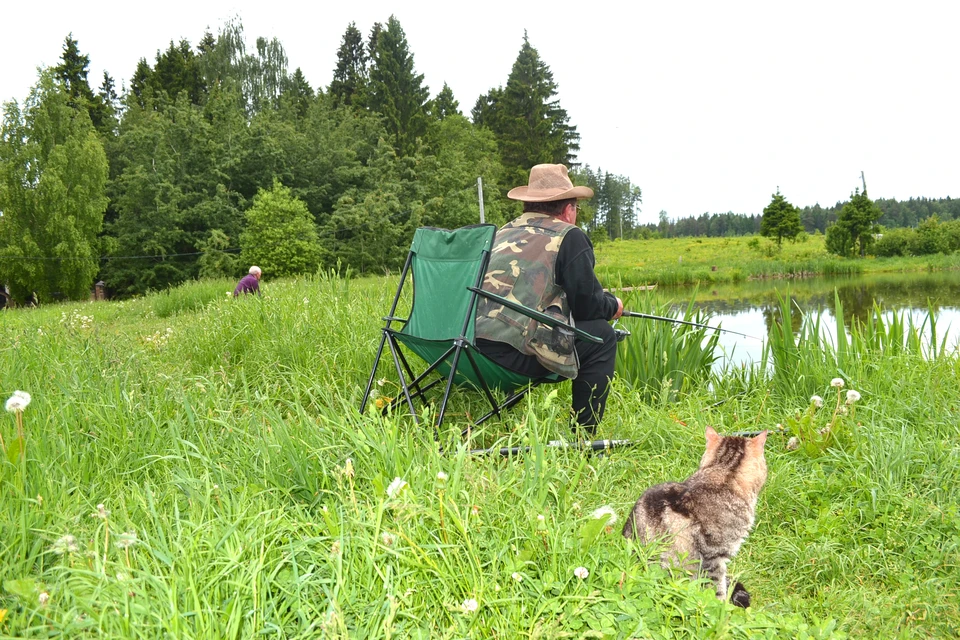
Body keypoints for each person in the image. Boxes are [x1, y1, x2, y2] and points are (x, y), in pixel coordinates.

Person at [475, 164, 623, 434]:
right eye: (575, 208)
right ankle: (583, 436)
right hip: (512, 355)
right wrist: (613, 305)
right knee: (601, 335)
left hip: (467, 348)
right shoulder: (569, 236)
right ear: (569, 210)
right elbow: (588, 307)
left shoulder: (500, 233)